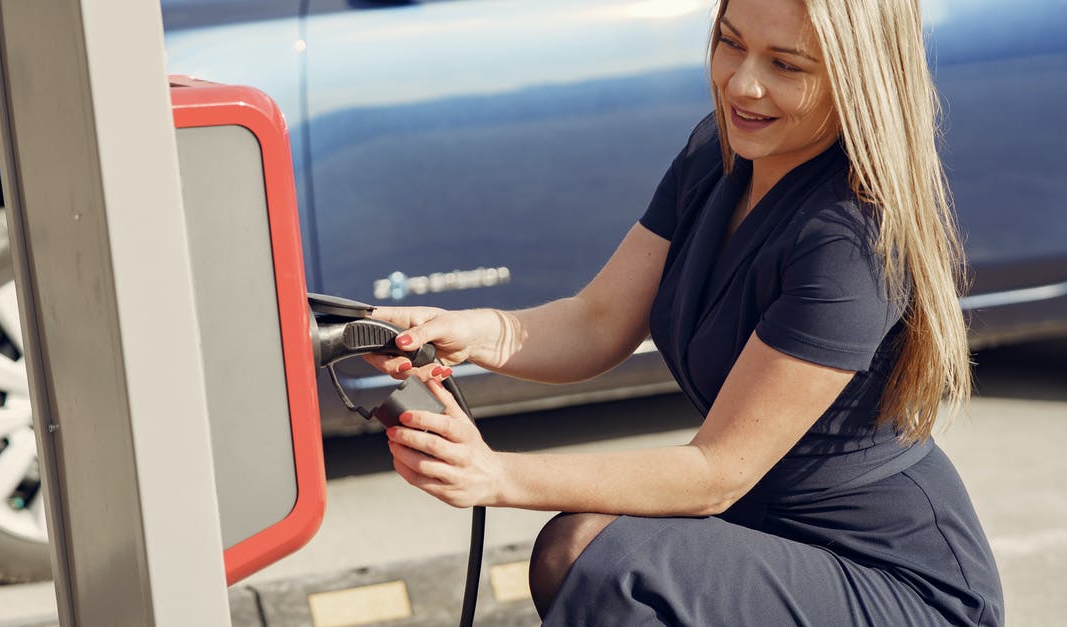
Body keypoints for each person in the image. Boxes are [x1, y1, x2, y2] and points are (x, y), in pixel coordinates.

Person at [365, 0, 1004, 623]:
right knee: (575, 548)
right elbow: (597, 322)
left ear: (859, 77)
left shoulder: (850, 240)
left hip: (891, 579)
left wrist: (496, 475)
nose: (742, 84)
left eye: (787, 65)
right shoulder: (718, 151)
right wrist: (469, 332)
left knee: (608, 560)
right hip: (764, 524)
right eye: (730, 42)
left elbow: (715, 472)